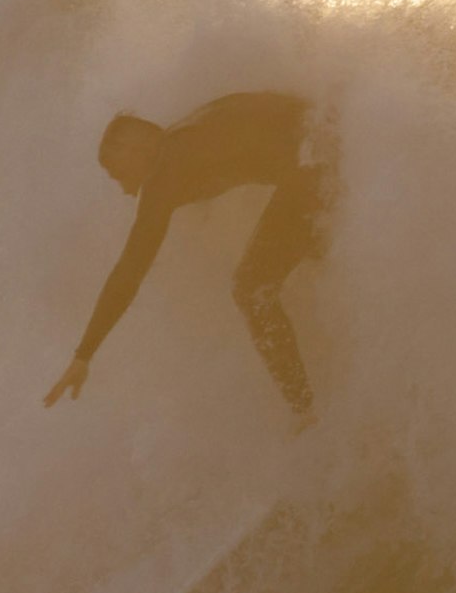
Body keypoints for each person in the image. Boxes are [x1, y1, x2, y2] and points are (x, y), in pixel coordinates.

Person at [44, 91, 326, 419]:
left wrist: (83, 355)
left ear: (133, 148)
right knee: (312, 249)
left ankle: (305, 412)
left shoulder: (169, 164)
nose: (125, 189)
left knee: (251, 289)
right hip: (324, 139)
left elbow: (131, 268)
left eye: (117, 173)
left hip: (315, 156)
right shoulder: (191, 139)